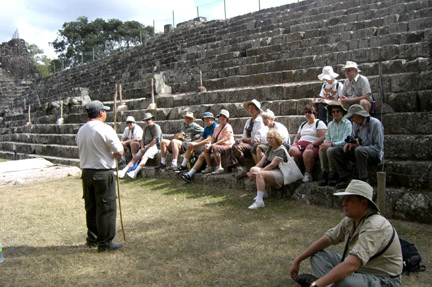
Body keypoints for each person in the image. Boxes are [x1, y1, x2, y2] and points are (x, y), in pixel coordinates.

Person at [290, 180, 402, 287]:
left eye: (349, 200)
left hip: (383, 280)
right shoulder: (352, 219)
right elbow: (329, 238)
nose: (344, 203)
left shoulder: (375, 226)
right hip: (359, 271)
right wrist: (298, 259)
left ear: (363, 203)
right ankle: (329, 283)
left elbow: (352, 264)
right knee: (318, 256)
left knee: (341, 278)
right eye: (344, 199)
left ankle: (323, 283)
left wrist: (316, 285)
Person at [76, 100, 124, 252]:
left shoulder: (81, 130)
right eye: (104, 111)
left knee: (91, 207)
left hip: (87, 173)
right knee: (106, 207)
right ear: (101, 113)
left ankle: (93, 238)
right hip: (102, 173)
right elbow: (119, 151)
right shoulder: (105, 129)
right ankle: (105, 243)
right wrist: (113, 153)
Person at [327, 104, 384, 189]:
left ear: (359, 115)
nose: (352, 120)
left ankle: (363, 179)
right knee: (334, 151)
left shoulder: (375, 124)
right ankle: (344, 177)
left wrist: (360, 146)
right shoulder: (355, 124)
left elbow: (378, 147)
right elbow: (353, 138)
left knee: (359, 150)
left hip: (373, 152)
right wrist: (350, 144)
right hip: (359, 150)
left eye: (353, 117)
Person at [180, 109, 234, 182]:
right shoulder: (217, 127)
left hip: (227, 146)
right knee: (204, 151)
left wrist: (211, 144)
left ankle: (219, 167)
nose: (221, 118)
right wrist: (208, 144)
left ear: (227, 118)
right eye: (220, 116)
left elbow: (224, 139)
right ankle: (192, 173)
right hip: (217, 146)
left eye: (223, 117)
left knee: (211, 148)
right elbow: (213, 138)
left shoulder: (228, 127)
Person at [246, 129, 289, 209]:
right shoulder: (270, 148)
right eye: (267, 138)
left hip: (280, 173)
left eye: (270, 138)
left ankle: (259, 201)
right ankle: (263, 193)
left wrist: (260, 172)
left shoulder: (281, 149)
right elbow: (261, 162)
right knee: (253, 169)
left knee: (259, 173)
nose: (268, 140)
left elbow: (272, 165)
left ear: (276, 138)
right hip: (272, 172)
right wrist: (251, 171)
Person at [228, 99, 267, 179]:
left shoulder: (260, 121)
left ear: (257, 110)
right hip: (248, 144)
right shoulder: (248, 121)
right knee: (234, 145)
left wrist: (244, 140)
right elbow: (244, 135)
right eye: (249, 108)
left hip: (255, 145)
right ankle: (239, 168)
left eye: (252, 108)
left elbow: (256, 139)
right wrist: (242, 140)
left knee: (237, 147)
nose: (250, 110)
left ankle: (242, 168)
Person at [117, 112, 162, 179]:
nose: (148, 121)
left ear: (152, 119)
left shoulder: (156, 127)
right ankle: (123, 171)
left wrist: (146, 147)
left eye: (149, 119)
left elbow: (155, 140)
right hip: (146, 146)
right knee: (135, 158)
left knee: (144, 157)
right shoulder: (146, 128)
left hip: (155, 146)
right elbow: (143, 138)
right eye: (146, 120)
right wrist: (142, 147)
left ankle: (135, 173)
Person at [289, 104, 327, 183]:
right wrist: (294, 143)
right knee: (292, 150)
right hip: (301, 145)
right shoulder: (303, 124)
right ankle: (296, 173)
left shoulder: (319, 123)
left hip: (313, 146)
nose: (307, 114)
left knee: (308, 152)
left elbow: (323, 137)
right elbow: (297, 136)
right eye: (305, 112)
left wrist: (313, 144)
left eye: (309, 112)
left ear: (315, 113)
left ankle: (308, 174)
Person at [318, 102, 352, 186]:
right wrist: (326, 143)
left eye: (338, 111)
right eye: (333, 112)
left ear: (342, 112)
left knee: (330, 150)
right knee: (322, 148)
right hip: (331, 145)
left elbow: (346, 140)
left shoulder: (347, 123)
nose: (335, 113)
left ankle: (334, 173)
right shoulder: (330, 124)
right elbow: (327, 137)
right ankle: (324, 172)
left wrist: (332, 144)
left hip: (342, 147)